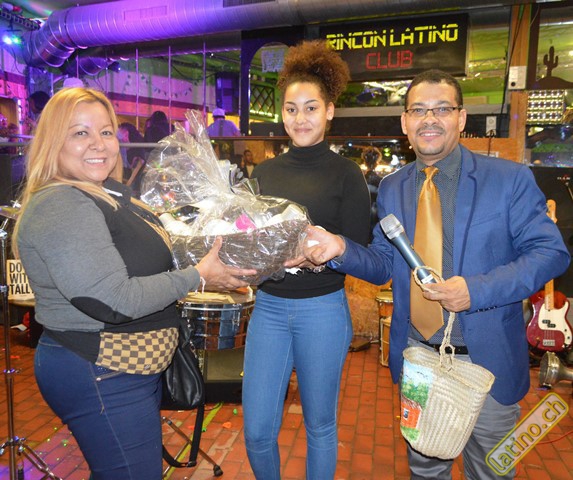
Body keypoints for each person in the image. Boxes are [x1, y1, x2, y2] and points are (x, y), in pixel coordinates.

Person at [301, 69, 570, 480]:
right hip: (420, 359)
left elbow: (551, 253)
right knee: (425, 470)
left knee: (491, 473)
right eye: (418, 110)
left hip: (489, 365)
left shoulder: (508, 180)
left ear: (461, 118)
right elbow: (384, 263)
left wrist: (476, 290)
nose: (429, 119)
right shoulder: (393, 187)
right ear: (405, 122)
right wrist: (340, 248)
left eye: (442, 109)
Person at [12, 87, 256, 480]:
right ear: (53, 142)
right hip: (100, 370)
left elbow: (152, 257)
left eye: (106, 132)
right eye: (80, 133)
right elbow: (114, 300)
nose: (98, 144)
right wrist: (198, 276)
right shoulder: (62, 204)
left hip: (125, 370)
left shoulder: (105, 194)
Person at [242, 40, 371, 480]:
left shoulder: (346, 174)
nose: (301, 118)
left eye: (311, 108)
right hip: (269, 310)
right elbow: (252, 242)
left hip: (322, 310)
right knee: (257, 431)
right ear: (282, 115)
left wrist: (323, 254)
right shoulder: (263, 174)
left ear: (329, 111)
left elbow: (358, 250)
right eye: (292, 109)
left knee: (319, 425)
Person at [117, 122, 148, 196]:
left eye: (122, 133)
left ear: (127, 134)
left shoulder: (136, 152)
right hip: (126, 183)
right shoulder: (122, 149)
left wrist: (126, 186)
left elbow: (134, 174)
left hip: (133, 186)